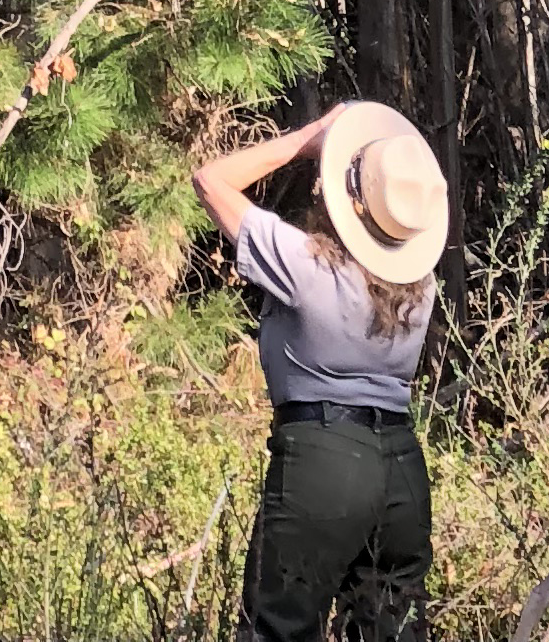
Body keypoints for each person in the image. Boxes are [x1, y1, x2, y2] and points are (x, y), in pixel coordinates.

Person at [192, 98, 451, 642]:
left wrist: (305, 140)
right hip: (403, 470)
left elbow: (211, 181)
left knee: (278, 630)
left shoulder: (306, 266)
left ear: (351, 202)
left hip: (322, 464)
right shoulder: (421, 290)